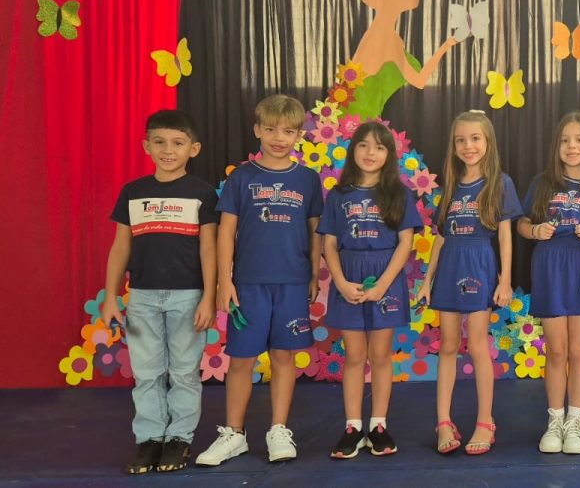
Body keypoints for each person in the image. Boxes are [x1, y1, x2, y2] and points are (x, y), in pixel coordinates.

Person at [196, 95, 323, 465]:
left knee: (284, 356)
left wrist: (314, 273)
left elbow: (315, 230)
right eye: (270, 129)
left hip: (292, 283)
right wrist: (224, 281)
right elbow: (225, 231)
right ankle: (234, 434)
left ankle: (278, 430)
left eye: (288, 131)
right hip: (248, 284)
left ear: (299, 135)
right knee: (241, 359)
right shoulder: (242, 178)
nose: (279, 138)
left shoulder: (307, 179)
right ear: (257, 131)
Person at [101, 110, 218, 474]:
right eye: (160, 142)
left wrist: (209, 297)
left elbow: (209, 248)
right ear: (146, 146)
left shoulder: (202, 193)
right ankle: (150, 439)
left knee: (184, 372)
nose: (168, 150)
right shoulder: (133, 192)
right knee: (147, 372)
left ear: (193, 149)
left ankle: (179, 438)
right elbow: (120, 247)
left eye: (178, 143)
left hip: (188, 296)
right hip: (142, 297)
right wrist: (110, 296)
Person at [415, 111, 522, 455]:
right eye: (460, 140)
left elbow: (505, 236)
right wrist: (427, 280)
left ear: (488, 141)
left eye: (475, 138)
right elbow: (441, 237)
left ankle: (485, 421)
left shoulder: (500, 183)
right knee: (447, 345)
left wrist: (505, 280)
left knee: (477, 345)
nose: (468, 146)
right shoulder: (451, 185)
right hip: (449, 267)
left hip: (479, 265)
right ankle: (443, 422)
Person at [321, 121, 423, 459]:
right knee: (353, 355)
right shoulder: (338, 195)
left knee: (380, 355)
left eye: (379, 147)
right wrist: (339, 281)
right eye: (363, 145)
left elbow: (405, 243)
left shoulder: (399, 193)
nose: (370, 153)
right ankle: (353, 427)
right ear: (353, 150)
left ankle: (378, 425)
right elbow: (329, 243)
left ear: (389, 154)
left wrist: (382, 285)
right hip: (348, 275)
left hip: (385, 278)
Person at [517, 112, 580, 455]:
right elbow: (521, 223)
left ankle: (575, 420)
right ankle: (555, 420)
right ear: (556, 147)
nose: (572, 146)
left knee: (577, 350)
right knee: (556, 350)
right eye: (565, 140)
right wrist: (534, 230)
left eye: (579, 140)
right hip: (550, 270)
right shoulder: (542, 183)